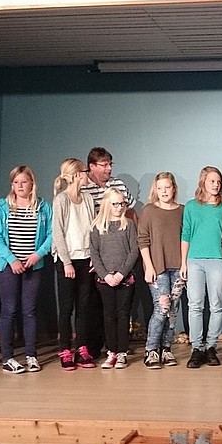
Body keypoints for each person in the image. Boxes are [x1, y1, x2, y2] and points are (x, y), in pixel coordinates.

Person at [0, 165, 52, 374]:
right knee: (9, 310)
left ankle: (31, 355)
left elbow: (51, 235)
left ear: (32, 183)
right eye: (16, 182)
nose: (20, 186)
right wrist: (11, 259)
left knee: (29, 311)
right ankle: (7, 358)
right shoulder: (2, 207)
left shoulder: (43, 207)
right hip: (9, 267)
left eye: (24, 182)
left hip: (33, 265)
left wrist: (37, 255)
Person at [80, 147, 136, 360]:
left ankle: (120, 348)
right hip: (97, 255)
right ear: (92, 166)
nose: (109, 168)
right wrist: (97, 262)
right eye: (104, 165)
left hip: (120, 253)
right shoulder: (84, 188)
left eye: (110, 164)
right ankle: (99, 348)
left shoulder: (118, 185)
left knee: (121, 310)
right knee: (97, 307)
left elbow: (131, 213)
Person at [180, 166, 222, 368]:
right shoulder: (191, 206)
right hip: (194, 260)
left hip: (218, 259)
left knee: (217, 304)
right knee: (195, 305)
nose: (216, 185)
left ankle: (211, 346)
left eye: (218, 181)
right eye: (212, 181)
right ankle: (197, 348)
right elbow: (186, 234)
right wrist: (183, 262)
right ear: (203, 182)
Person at [51, 158, 98, 371]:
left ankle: (82, 348)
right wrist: (66, 262)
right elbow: (58, 233)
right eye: (85, 172)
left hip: (85, 259)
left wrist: (94, 257)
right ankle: (65, 350)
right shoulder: (61, 200)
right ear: (78, 174)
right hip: (66, 261)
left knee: (84, 308)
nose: (88, 175)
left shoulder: (87, 198)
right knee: (66, 308)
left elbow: (93, 228)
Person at [138, 172, 185, 369]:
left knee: (173, 310)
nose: (164, 191)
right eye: (160, 188)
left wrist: (184, 265)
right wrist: (149, 266)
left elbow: (186, 239)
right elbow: (143, 240)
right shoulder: (149, 211)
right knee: (162, 307)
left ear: (174, 188)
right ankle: (151, 350)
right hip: (157, 267)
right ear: (155, 190)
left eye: (167, 187)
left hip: (178, 267)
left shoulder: (182, 211)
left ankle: (166, 348)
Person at [90, 188, 141, 369]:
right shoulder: (97, 227)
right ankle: (111, 351)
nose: (119, 207)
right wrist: (105, 275)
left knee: (123, 314)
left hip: (125, 279)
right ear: (106, 204)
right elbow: (94, 254)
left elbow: (134, 251)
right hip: (105, 280)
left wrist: (121, 274)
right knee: (109, 315)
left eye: (122, 204)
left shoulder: (128, 224)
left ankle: (122, 353)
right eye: (115, 204)